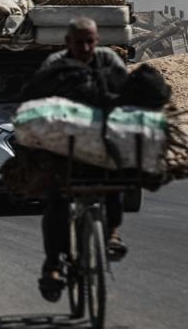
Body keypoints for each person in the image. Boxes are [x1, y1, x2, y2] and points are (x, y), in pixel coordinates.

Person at [36, 16, 128, 300]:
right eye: (79, 42)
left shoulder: (109, 61)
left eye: (90, 42)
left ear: (97, 41)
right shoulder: (54, 66)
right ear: (67, 42)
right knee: (56, 201)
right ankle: (53, 265)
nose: (85, 48)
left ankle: (112, 233)